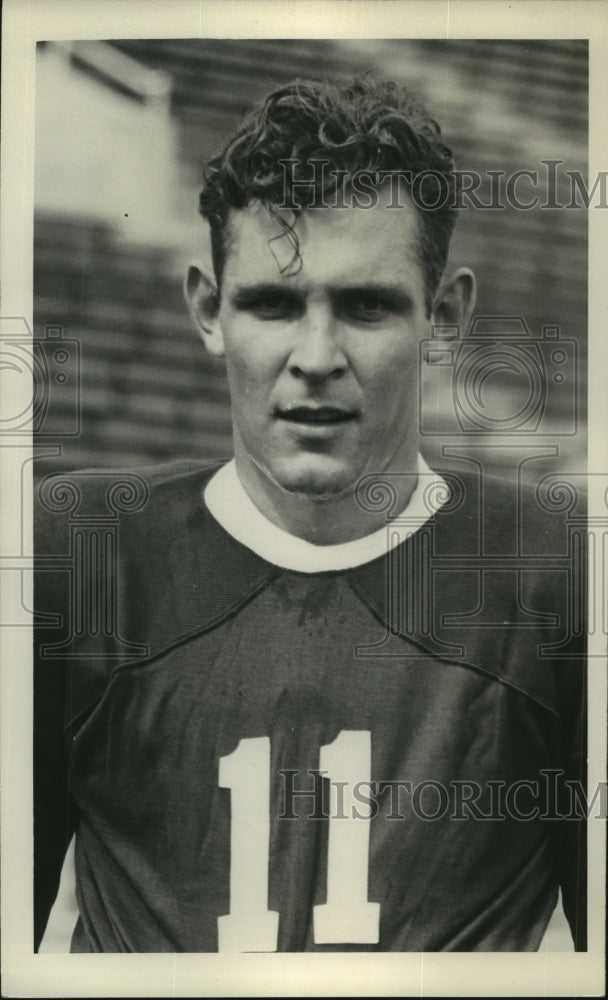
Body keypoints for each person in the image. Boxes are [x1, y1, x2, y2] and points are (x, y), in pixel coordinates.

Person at [34, 76, 586, 952]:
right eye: (273, 303)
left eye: (366, 305)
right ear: (209, 308)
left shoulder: (557, 569)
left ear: (444, 317)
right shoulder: (81, 550)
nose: (317, 357)